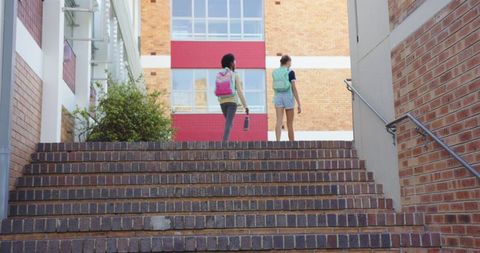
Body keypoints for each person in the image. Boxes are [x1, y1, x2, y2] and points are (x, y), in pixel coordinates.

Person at [217, 53, 249, 141]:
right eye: (234, 61)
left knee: (229, 122)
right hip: (232, 102)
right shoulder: (235, 74)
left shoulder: (220, 74)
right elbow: (239, 91)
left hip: (222, 102)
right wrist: (245, 106)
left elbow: (217, 89)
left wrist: (220, 100)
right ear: (231, 63)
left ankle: (225, 141)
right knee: (229, 123)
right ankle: (225, 143)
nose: (236, 62)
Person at [272, 55, 301, 141]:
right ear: (287, 62)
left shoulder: (275, 72)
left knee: (279, 121)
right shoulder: (290, 72)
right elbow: (294, 88)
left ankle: (277, 141)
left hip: (278, 96)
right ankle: (291, 143)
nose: (291, 64)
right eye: (290, 62)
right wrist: (299, 103)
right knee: (289, 123)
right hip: (288, 96)